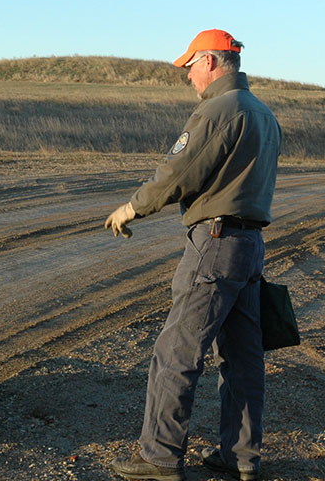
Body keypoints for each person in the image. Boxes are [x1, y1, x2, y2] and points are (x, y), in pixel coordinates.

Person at [105, 29, 281, 481]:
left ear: (210, 61)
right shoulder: (264, 114)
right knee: (243, 358)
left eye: (190, 66)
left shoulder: (217, 111)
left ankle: (159, 457)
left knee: (176, 352)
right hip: (250, 247)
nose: (187, 76)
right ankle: (241, 457)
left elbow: (177, 173)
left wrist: (132, 207)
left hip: (215, 245)